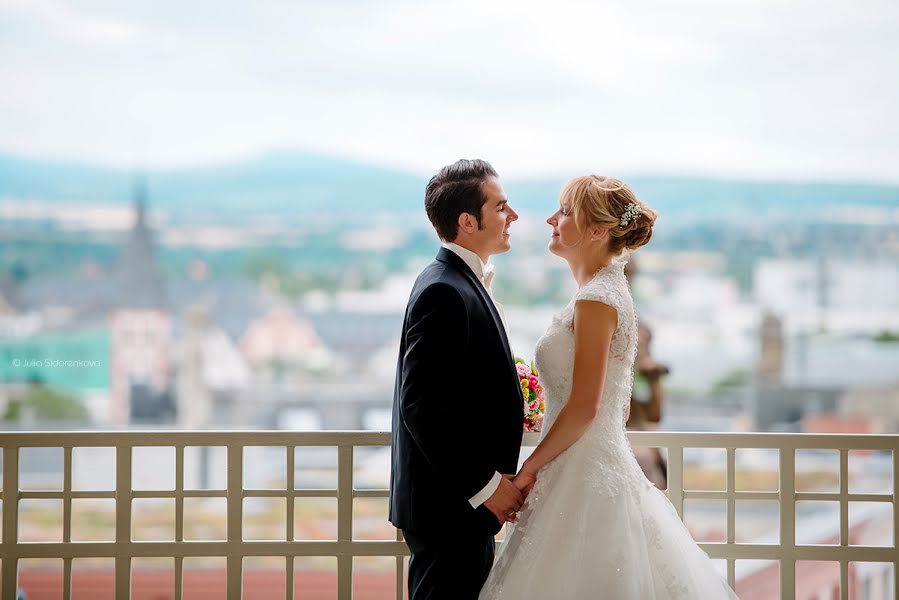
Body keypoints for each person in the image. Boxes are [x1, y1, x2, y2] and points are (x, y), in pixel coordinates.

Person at [479, 175, 738, 599]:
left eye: (564, 212)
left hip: (584, 471)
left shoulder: (597, 299)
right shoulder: (603, 290)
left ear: (597, 230)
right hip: (579, 464)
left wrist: (529, 470)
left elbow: (585, 407)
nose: (550, 219)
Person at [389, 159, 527, 599]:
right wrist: (487, 489)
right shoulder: (444, 290)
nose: (514, 217)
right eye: (502, 207)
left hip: (459, 509)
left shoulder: (456, 280)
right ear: (468, 221)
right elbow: (422, 407)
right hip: (451, 508)